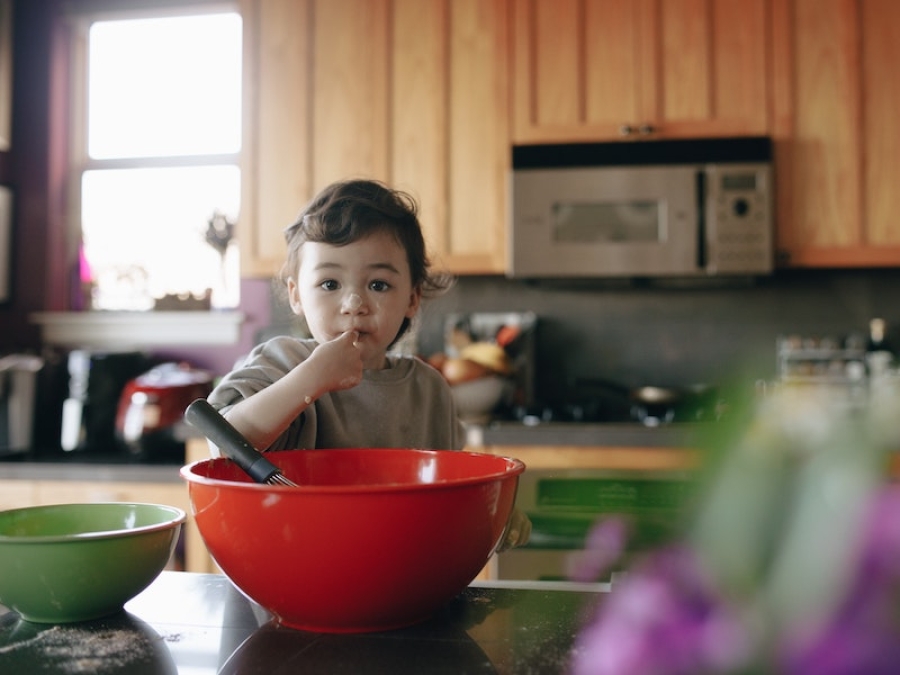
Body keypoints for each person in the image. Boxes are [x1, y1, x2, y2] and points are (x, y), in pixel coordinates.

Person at [207, 178, 530, 550]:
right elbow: (223, 439)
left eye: (378, 285)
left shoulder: (428, 390)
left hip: (400, 575)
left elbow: (447, 498)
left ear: (411, 299)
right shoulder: (283, 362)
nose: (354, 303)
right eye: (330, 284)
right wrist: (308, 380)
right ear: (296, 295)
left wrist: (491, 515)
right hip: (294, 566)